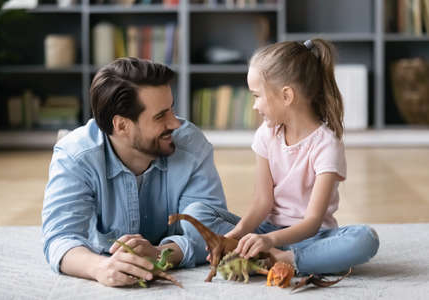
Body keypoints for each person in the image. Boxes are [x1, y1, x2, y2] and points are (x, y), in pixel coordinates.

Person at [42, 57, 228, 286]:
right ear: (121, 125)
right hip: (101, 253)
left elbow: (211, 233)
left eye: (171, 109)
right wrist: (100, 267)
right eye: (160, 116)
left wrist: (160, 254)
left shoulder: (192, 146)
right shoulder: (75, 155)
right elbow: (60, 238)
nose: (175, 123)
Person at [205, 39, 379, 275]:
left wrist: (270, 242)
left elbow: (313, 221)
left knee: (365, 239)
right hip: (267, 230)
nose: (255, 106)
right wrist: (236, 234)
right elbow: (262, 202)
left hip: (311, 238)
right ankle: (259, 255)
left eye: (257, 96)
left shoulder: (327, 145)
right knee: (201, 212)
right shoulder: (266, 135)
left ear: (286, 96)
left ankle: (289, 260)